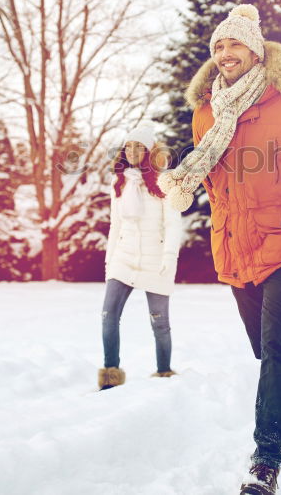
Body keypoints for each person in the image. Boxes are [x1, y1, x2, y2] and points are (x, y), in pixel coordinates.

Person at [158, 4, 281, 495]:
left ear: (256, 50)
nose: (226, 53)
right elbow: (217, 180)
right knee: (266, 350)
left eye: (235, 44)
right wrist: (183, 182)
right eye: (219, 46)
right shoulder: (205, 113)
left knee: (276, 347)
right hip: (235, 248)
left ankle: (265, 460)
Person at [98, 122, 182, 390]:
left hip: (155, 261)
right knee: (108, 314)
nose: (132, 151)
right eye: (128, 146)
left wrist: (169, 258)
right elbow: (115, 225)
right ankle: (110, 375)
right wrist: (110, 262)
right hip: (123, 258)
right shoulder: (119, 182)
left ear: (149, 150)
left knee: (160, 323)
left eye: (139, 146)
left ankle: (164, 372)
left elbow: (172, 225)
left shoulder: (163, 181)